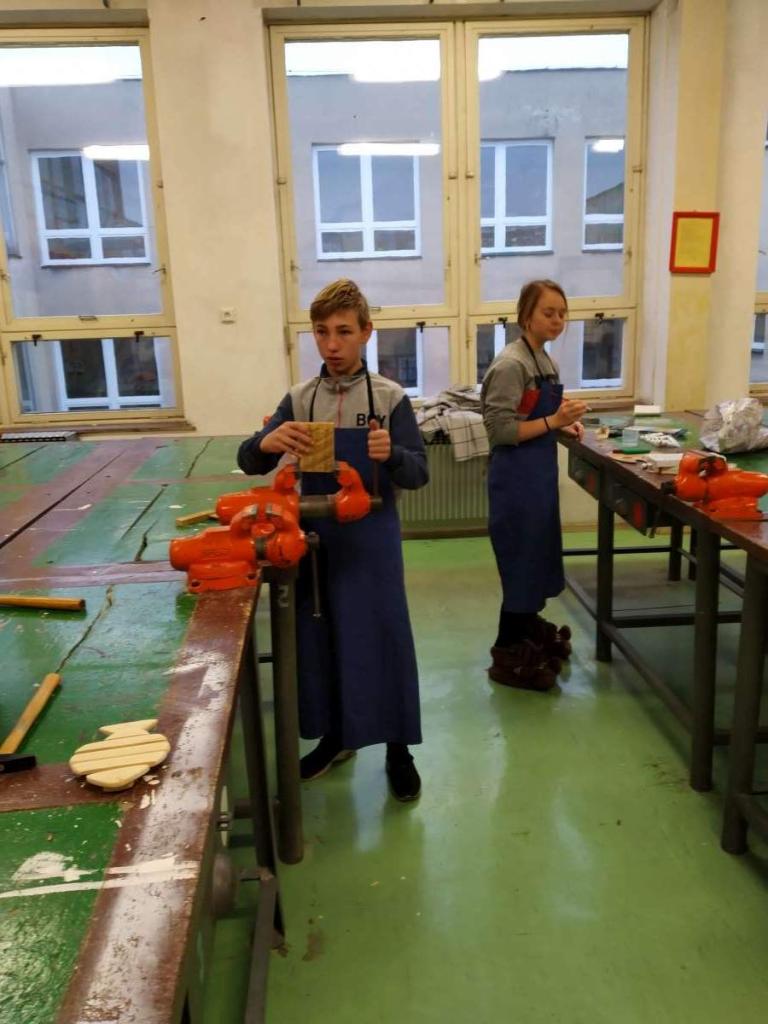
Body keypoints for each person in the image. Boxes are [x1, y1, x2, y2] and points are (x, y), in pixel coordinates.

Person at [237, 279, 428, 801]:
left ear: (366, 332)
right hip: (316, 542)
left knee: (384, 639)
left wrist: (392, 455)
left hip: (373, 542)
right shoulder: (301, 398)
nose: (332, 344)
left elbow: (418, 474)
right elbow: (248, 459)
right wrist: (267, 441)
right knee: (322, 641)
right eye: (322, 332)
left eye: (343, 332)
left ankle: (398, 749)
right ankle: (334, 737)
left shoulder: (389, 398)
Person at [480, 279, 588, 691]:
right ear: (526, 315)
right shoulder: (512, 365)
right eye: (548, 312)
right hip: (515, 482)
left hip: (538, 479)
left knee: (536, 560)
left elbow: (538, 421)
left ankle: (527, 628)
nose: (557, 320)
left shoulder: (545, 361)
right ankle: (507, 651)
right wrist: (554, 421)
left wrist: (563, 426)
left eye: (562, 313)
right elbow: (501, 431)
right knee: (520, 565)